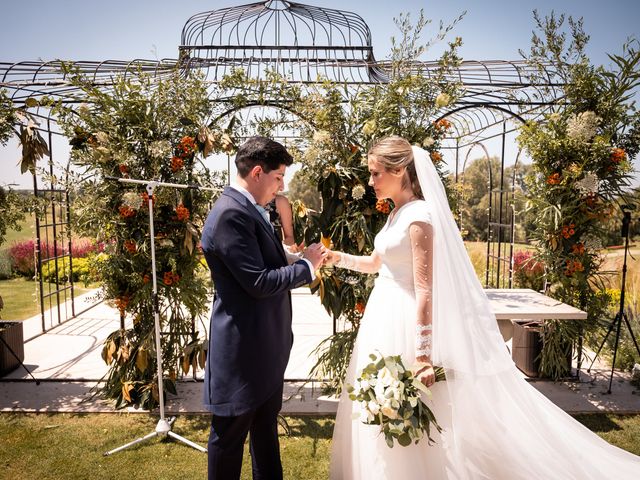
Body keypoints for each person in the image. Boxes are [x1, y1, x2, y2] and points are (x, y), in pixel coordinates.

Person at [327, 136, 640, 479]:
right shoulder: (397, 213)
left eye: (375, 173)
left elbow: (425, 290)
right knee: (381, 404)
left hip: (403, 319)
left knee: (408, 404)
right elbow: (377, 263)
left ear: (400, 170)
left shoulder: (420, 217)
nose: (371, 181)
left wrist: (422, 355)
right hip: (382, 316)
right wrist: (336, 258)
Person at [201, 136, 327, 480]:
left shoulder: (248, 209)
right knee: (228, 442)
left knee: (265, 437)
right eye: (279, 176)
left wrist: (296, 257)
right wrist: (308, 267)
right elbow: (257, 282)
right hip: (242, 355)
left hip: (264, 350)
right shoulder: (230, 214)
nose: (282, 185)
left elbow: (261, 262)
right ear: (257, 172)